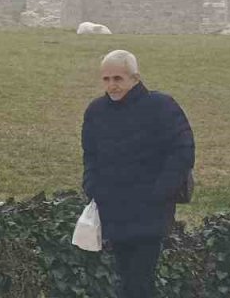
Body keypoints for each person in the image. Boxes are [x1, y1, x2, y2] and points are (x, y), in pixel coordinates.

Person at [82, 49, 195, 298]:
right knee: (125, 278)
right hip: (114, 210)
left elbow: (183, 151)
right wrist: (92, 187)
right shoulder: (96, 111)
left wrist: (159, 193)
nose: (112, 86)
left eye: (118, 79)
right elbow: (90, 154)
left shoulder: (161, 106)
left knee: (138, 283)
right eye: (106, 79)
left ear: (135, 78)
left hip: (150, 212)